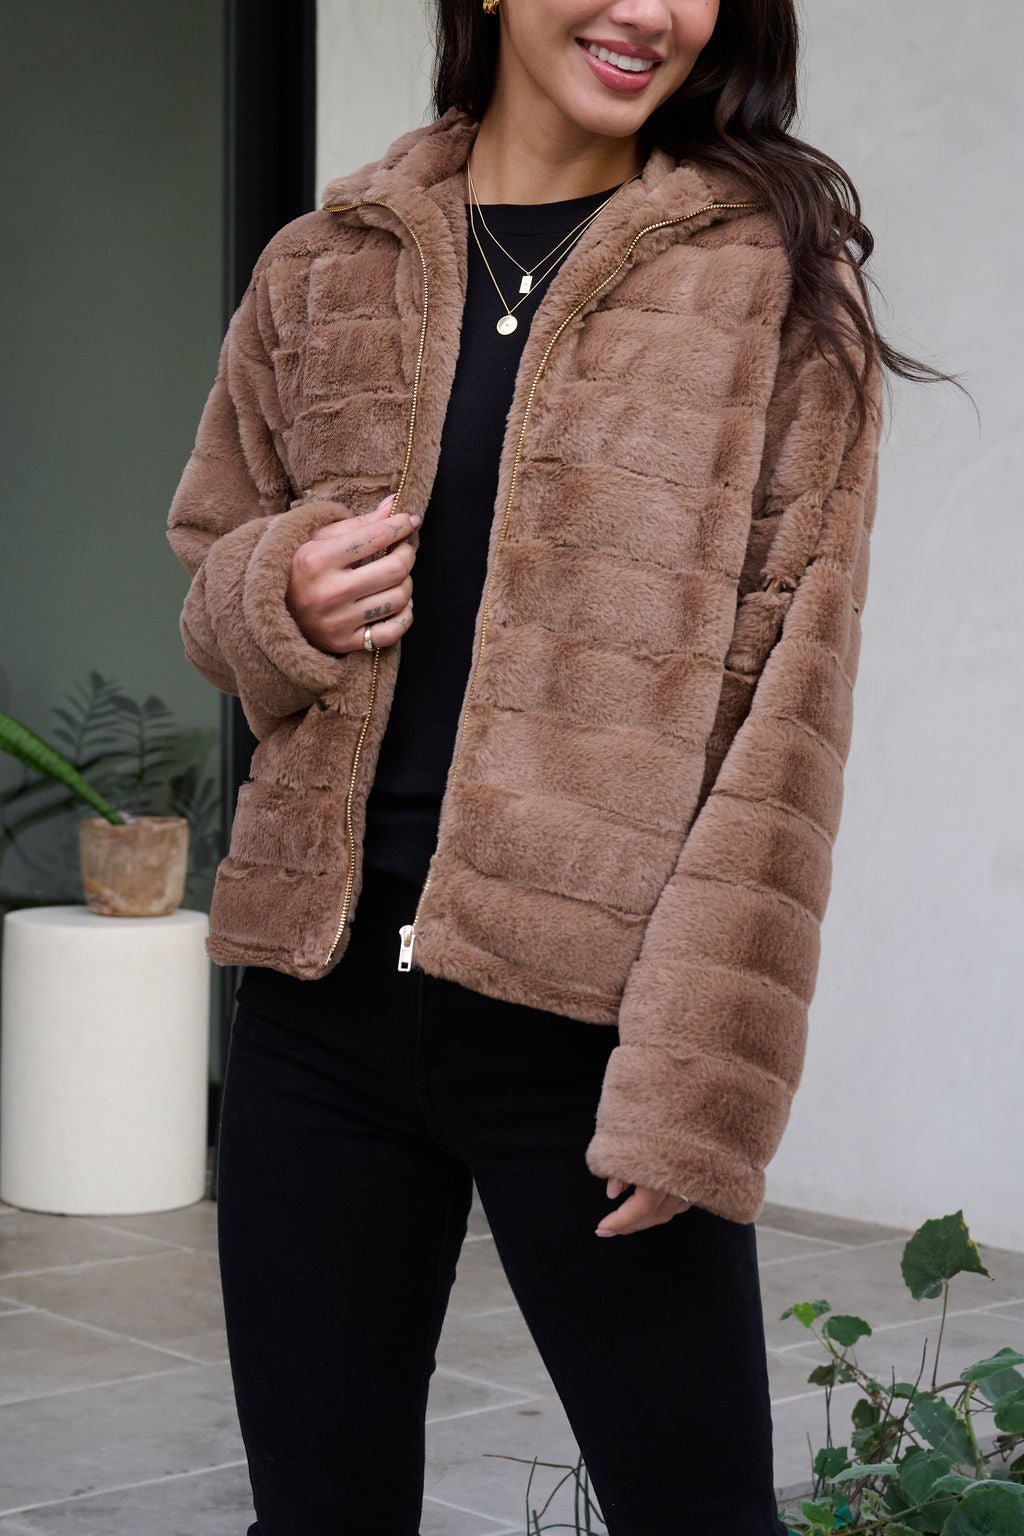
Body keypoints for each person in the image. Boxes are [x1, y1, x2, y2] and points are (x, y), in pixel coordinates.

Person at [166, 2, 956, 1531]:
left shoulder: (773, 284)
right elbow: (214, 560)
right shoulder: (325, 265)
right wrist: (279, 595)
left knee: (695, 1511)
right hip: (318, 1014)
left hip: (594, 1042)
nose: (649, 11)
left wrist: (700, 1082)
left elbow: (786, 717)